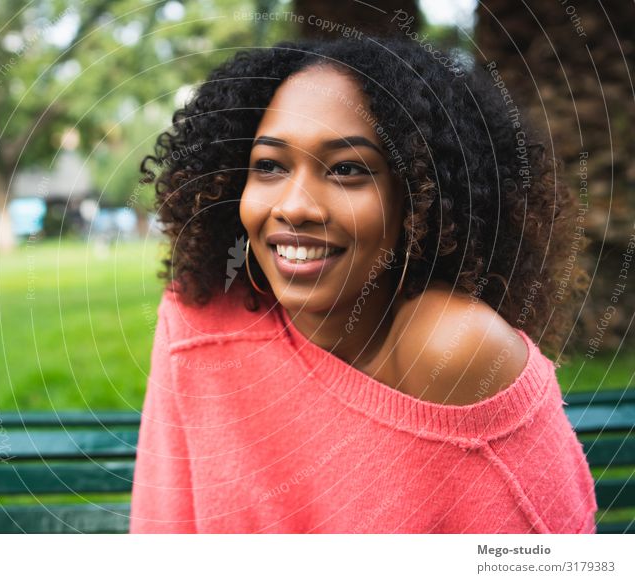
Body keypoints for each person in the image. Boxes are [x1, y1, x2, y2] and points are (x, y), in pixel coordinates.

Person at [129, 36, 597, 533]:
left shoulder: (452, 350)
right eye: (268, 165)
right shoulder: (200, 318)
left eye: (348, 170)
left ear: (420, 197)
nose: (295, 207)